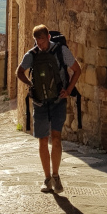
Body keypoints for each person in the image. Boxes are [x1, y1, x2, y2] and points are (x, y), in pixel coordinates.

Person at [16, 24, 81, 193]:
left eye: (42, 40)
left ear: (49, 38)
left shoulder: (61, 51)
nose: (40, 44)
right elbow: (19, 72)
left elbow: (77, 70)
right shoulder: (31, 55)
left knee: (56, 137)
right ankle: (47, 179)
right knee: (43, 140)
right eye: (37, 41)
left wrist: (68, 90)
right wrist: (31, 85)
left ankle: (56, 175)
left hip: (58, 101)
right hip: (39, 104)